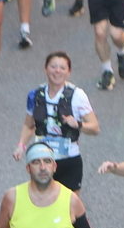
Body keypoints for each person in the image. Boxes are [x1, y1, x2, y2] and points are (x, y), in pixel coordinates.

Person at [14, 52, 100, 189]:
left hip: (69, 158)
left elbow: (95, 128)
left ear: (69, 72)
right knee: (42, 201)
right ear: (45, 69)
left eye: (62, 68)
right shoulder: (35, 95)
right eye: (53, 66)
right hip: (43, 159)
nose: (57, 71)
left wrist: (78, 124)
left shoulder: (78, 95)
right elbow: (28, 125)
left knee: (71, 205)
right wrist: (21, 145)